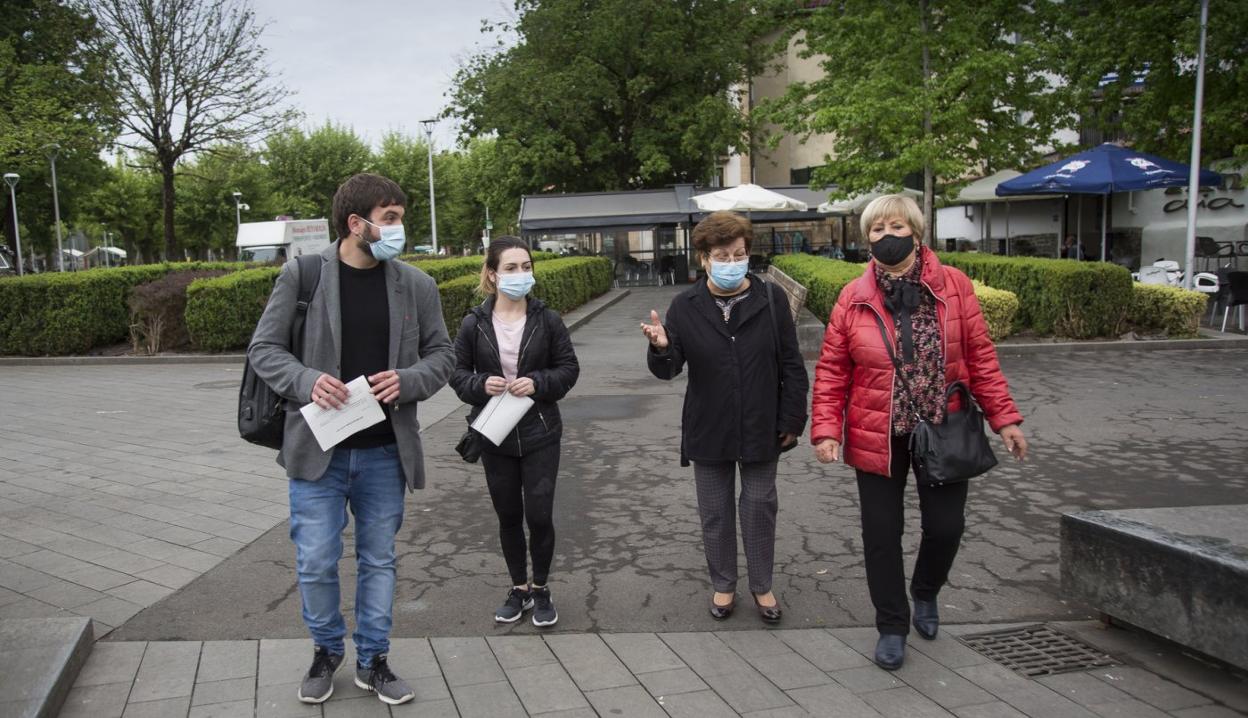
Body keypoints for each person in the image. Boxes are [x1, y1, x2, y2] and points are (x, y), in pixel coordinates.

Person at [248, 173, 454, 706]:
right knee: (315, 560)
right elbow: (265, 350)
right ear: (355, 223)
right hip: (318, 451)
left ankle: (373, 659)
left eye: (400, 217)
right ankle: (325, 650)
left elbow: (443, 356)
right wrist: (306, 380)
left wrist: (408, 380)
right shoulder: (304, 274)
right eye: (389, 218)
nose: (398, 228)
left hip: (385, 452)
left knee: (378, 559)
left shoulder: (416, 285)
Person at [810, 194, 1027, 671]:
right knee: (881, 535)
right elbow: (832, 370)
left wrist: (1004, 418)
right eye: (876, 230)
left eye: (895, 226)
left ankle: (925, 591)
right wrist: (826, 428)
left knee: (946, 527)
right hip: (876, 430)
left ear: (916, 230)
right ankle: (892, 624)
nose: (887, 236)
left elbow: (981, 356)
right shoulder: (853, 295)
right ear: (866, 238)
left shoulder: (954, 286)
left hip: (943, 423)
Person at [640, 211, 809, 624]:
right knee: (715, 512)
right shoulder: (685, 306)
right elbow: (669, 369)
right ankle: (724, 584)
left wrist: (792, 418)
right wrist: (662, 346)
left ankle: (762, 586)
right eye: (722, 255)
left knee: (759, 505)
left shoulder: (770, 301)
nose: (732, 262)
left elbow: (791, 364)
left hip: (761, 424)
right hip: (709, 426)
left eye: (739, 254)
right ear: (704, 259)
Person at [451, 236, 580, 627]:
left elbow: (569, 369)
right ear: (492, 274)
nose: (520, 274)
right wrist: (481, 385)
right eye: (511, 268)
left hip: (540, 430)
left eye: (526, 267)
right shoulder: (474, 323)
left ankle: (541, 588)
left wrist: (538, 382)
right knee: (508, 514)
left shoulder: (547, 319)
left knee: (539, 515)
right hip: (495, 434)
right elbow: (457, 376)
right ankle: (519, 588)